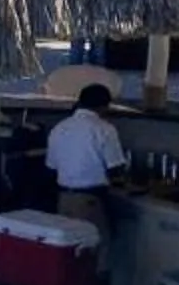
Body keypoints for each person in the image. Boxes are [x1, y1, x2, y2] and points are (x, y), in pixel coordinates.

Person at [46, 84, 128, 237]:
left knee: (68, 252)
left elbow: (51, 167)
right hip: (90, 201)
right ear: (104, 106)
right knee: (93, 251)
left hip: (63, 200)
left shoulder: (59, 128)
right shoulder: (104, 129)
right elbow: (115, 168)